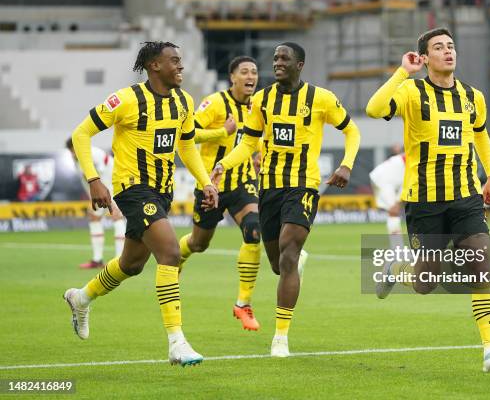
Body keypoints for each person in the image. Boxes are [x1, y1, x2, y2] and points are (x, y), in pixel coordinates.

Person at [63, 41, 218, 367]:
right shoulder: (127, 100)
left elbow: (187, 147)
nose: (181, 67)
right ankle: (177, 342)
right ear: (154, 65)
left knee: (131, 264)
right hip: (133, 188)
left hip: (163, 191)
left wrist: (205, 182)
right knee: (171, 253)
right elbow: (81, 133)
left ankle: (81, 297)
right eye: (174, 61)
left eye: (181, 61)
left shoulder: (184, 101)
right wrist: (94, 178)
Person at [366, 28, 490, 373]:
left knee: (481, 267)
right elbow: (373, 109)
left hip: (465, 197)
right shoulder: (412, 91)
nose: (448, 51)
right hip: (424, 201)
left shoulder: (472, 96)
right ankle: (395, 269)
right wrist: (403, 70)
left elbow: (481, 136)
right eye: (439, 47)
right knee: (424, 282)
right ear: (425, 57)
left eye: (451, 46)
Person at [211, 42, 361, 357]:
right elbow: (249, 143)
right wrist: (224, 164)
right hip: (269, 188)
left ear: (300, 64)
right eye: (276, 58)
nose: (278, 62)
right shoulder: (262, 99)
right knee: (279, 265)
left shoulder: (321, 98)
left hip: (303, 187)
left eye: (284, 58)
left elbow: (352, 131)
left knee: (289, 255)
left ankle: (280, 336)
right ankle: (293, 265)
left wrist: (346, 164)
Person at [177, 56, 266, 331]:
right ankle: (174, 258)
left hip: (242, 184)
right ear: (232, 77)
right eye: (244, 72)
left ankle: (243, 304)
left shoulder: (259, 106)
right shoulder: (215, 103)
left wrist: (260, 154)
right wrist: (220, 132)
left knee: (254, 230)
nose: (251, 76)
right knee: (198, 244)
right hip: (210, 185)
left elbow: (255, 137)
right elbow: (186, 134)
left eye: (254, 72)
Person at [66, 139, 126, 269]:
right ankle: (97, 260)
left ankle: (120, 259)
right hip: (101, 190)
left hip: (112, 184)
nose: (72, 154)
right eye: (71, 151)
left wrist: (108, 196)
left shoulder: (93, 153)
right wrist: (92, 198)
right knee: (94, 217)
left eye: (73, 151)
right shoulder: (79, 161)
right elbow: (87, 181)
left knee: (116, 215)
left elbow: (102, 176)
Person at [369, 153, 406, 249]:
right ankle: (398, 248)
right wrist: (398, 201)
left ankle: (397, 246)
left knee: (394, 211)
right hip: (384, 181)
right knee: (394, 211)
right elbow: (408, 182)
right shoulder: (414, 159)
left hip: (380, 178)